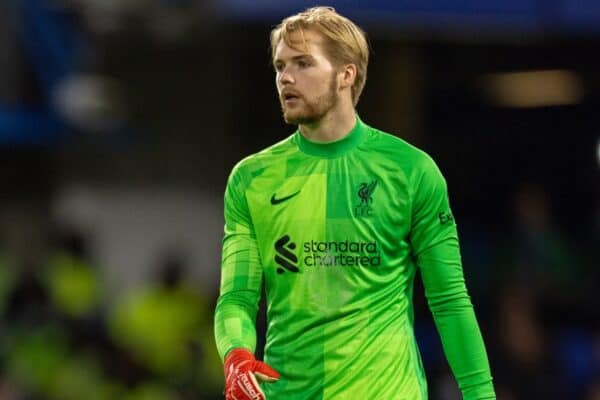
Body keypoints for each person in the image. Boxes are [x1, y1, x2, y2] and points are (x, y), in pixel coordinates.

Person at [214, 6, 495, 399]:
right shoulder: (252, 179)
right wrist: (236, 354)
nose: (285, 78)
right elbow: (237, 299)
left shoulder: (410, 171)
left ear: (346, 74)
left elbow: (449, 302)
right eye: (280, 66)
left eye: (303, 63)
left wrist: (481, 394)